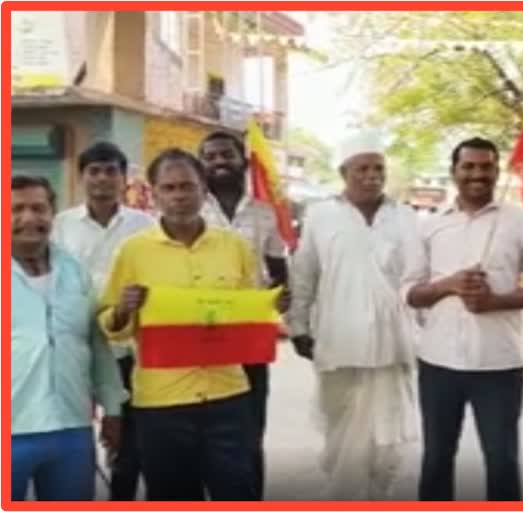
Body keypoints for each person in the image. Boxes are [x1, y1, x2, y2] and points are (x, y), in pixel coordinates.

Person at [98, 149, 262, 501]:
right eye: (168, 188)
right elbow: (111, 324)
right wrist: (124, 310)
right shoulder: (133, 251)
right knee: (172, 495)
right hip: (161, 403)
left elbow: (251, 314)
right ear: (154, 195)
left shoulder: (234, 247)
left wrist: (268, 309)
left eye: (187, 186)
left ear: (204, 190)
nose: (179, 196)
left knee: (237, 491)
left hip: (227, 396)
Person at [402, 137, 523, 501]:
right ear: (453, 171)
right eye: (468, 166)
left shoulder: (521, 222)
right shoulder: (429, 225)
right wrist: (450, 285)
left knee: (502, 461)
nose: (477, 174)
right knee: (437, 459)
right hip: (438, 363)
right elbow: (409, 292)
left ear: (497, 170)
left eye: (486, 166)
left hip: (499, 365)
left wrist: (496, 301)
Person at [288, 132, 419, 500]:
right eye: (362, 168)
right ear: (344, 172)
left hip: (393, 345)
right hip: (337, 342)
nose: (372, 175)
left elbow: (419, 278)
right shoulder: (321, 215)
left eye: (379, 168)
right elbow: (304, 274)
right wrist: (298, 327)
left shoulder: (405, 217)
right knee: (340, 434)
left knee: (386, 442)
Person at [11, 175, 125, 501]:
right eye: (16, 209)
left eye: (39, 208)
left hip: (71, 430)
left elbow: (96, 344)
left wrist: (113, 407)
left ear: (53, 213)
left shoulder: (74, 270)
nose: (29, 218)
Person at [52, 141, 154, 501]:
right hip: (76, 345)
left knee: (126, 438)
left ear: (123, 178)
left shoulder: (145, 226)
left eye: (111, 171)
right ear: (82, 178)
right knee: (74, 433)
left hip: (126, 347)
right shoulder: (61, 226)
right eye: (94, 171)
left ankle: (120, 498)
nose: (103, 179)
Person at [198, 131, 289, 499]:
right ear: (201, 164)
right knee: (207, 429)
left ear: (243, 161)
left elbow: (278, 269)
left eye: (227, 155)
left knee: (250, 430)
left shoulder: (265, 212)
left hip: (250, 337)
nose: (220, 162)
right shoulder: (190, 207)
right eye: (211, 157)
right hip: (200, 335)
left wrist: (280, 299)